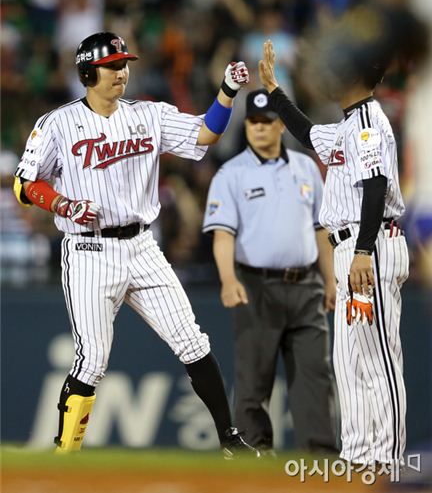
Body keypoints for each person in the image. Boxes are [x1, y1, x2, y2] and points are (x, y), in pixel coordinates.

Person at [13, 31, 258, 459]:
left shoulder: (148, 114)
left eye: (124, 64)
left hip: (143, 246)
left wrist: (227, 91)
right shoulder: (58, 123)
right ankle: (64, 460)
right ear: (88, 72)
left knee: (193, 341)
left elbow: (205, 134)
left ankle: (229, 440)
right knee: (91, 362)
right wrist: (62, 203)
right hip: (89, 251)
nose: (122, 72)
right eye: (112, 66)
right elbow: (23, 183)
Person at [259, 40, 409, 468]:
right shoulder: (347, 125)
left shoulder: (367, 121)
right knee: (350, 361)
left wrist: (363, 249)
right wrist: (273, 90)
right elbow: (307, 134)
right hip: (351, 249)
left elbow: (376, 185)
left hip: (369, 246)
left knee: (378, 359)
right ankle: (360, 457)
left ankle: (389, 463)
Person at [202, 89, 338, 454]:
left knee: (315, 377)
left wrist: (330, 280)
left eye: (266, 122)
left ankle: (320, 459)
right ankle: (254, 461)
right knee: (253, 382)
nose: (259, 128)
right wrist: (228, 280)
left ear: (281, 126)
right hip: (255, 286)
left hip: (306, 285)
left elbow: (321, 231)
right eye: (253, 122)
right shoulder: (231, 173)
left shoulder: (307, 167)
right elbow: (222, 234)